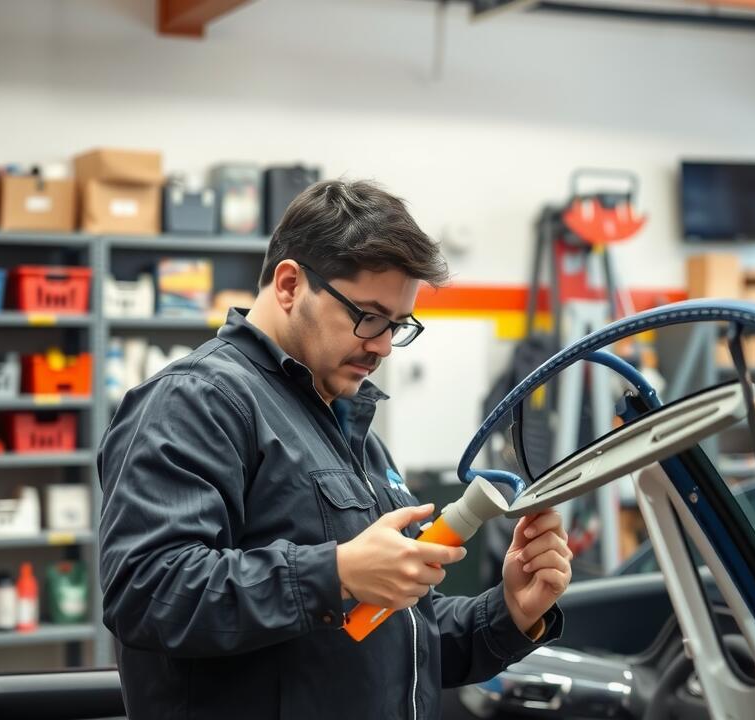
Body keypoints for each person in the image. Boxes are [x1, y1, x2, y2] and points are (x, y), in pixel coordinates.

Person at [98, 179, 571, 719]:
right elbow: (148, 591)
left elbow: (398, 641)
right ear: (289, 284)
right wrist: (336, 573)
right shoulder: (199, 401)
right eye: (369, 316)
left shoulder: (349, 429)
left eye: (398, 325)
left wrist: (510, 611)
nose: (384, 346)